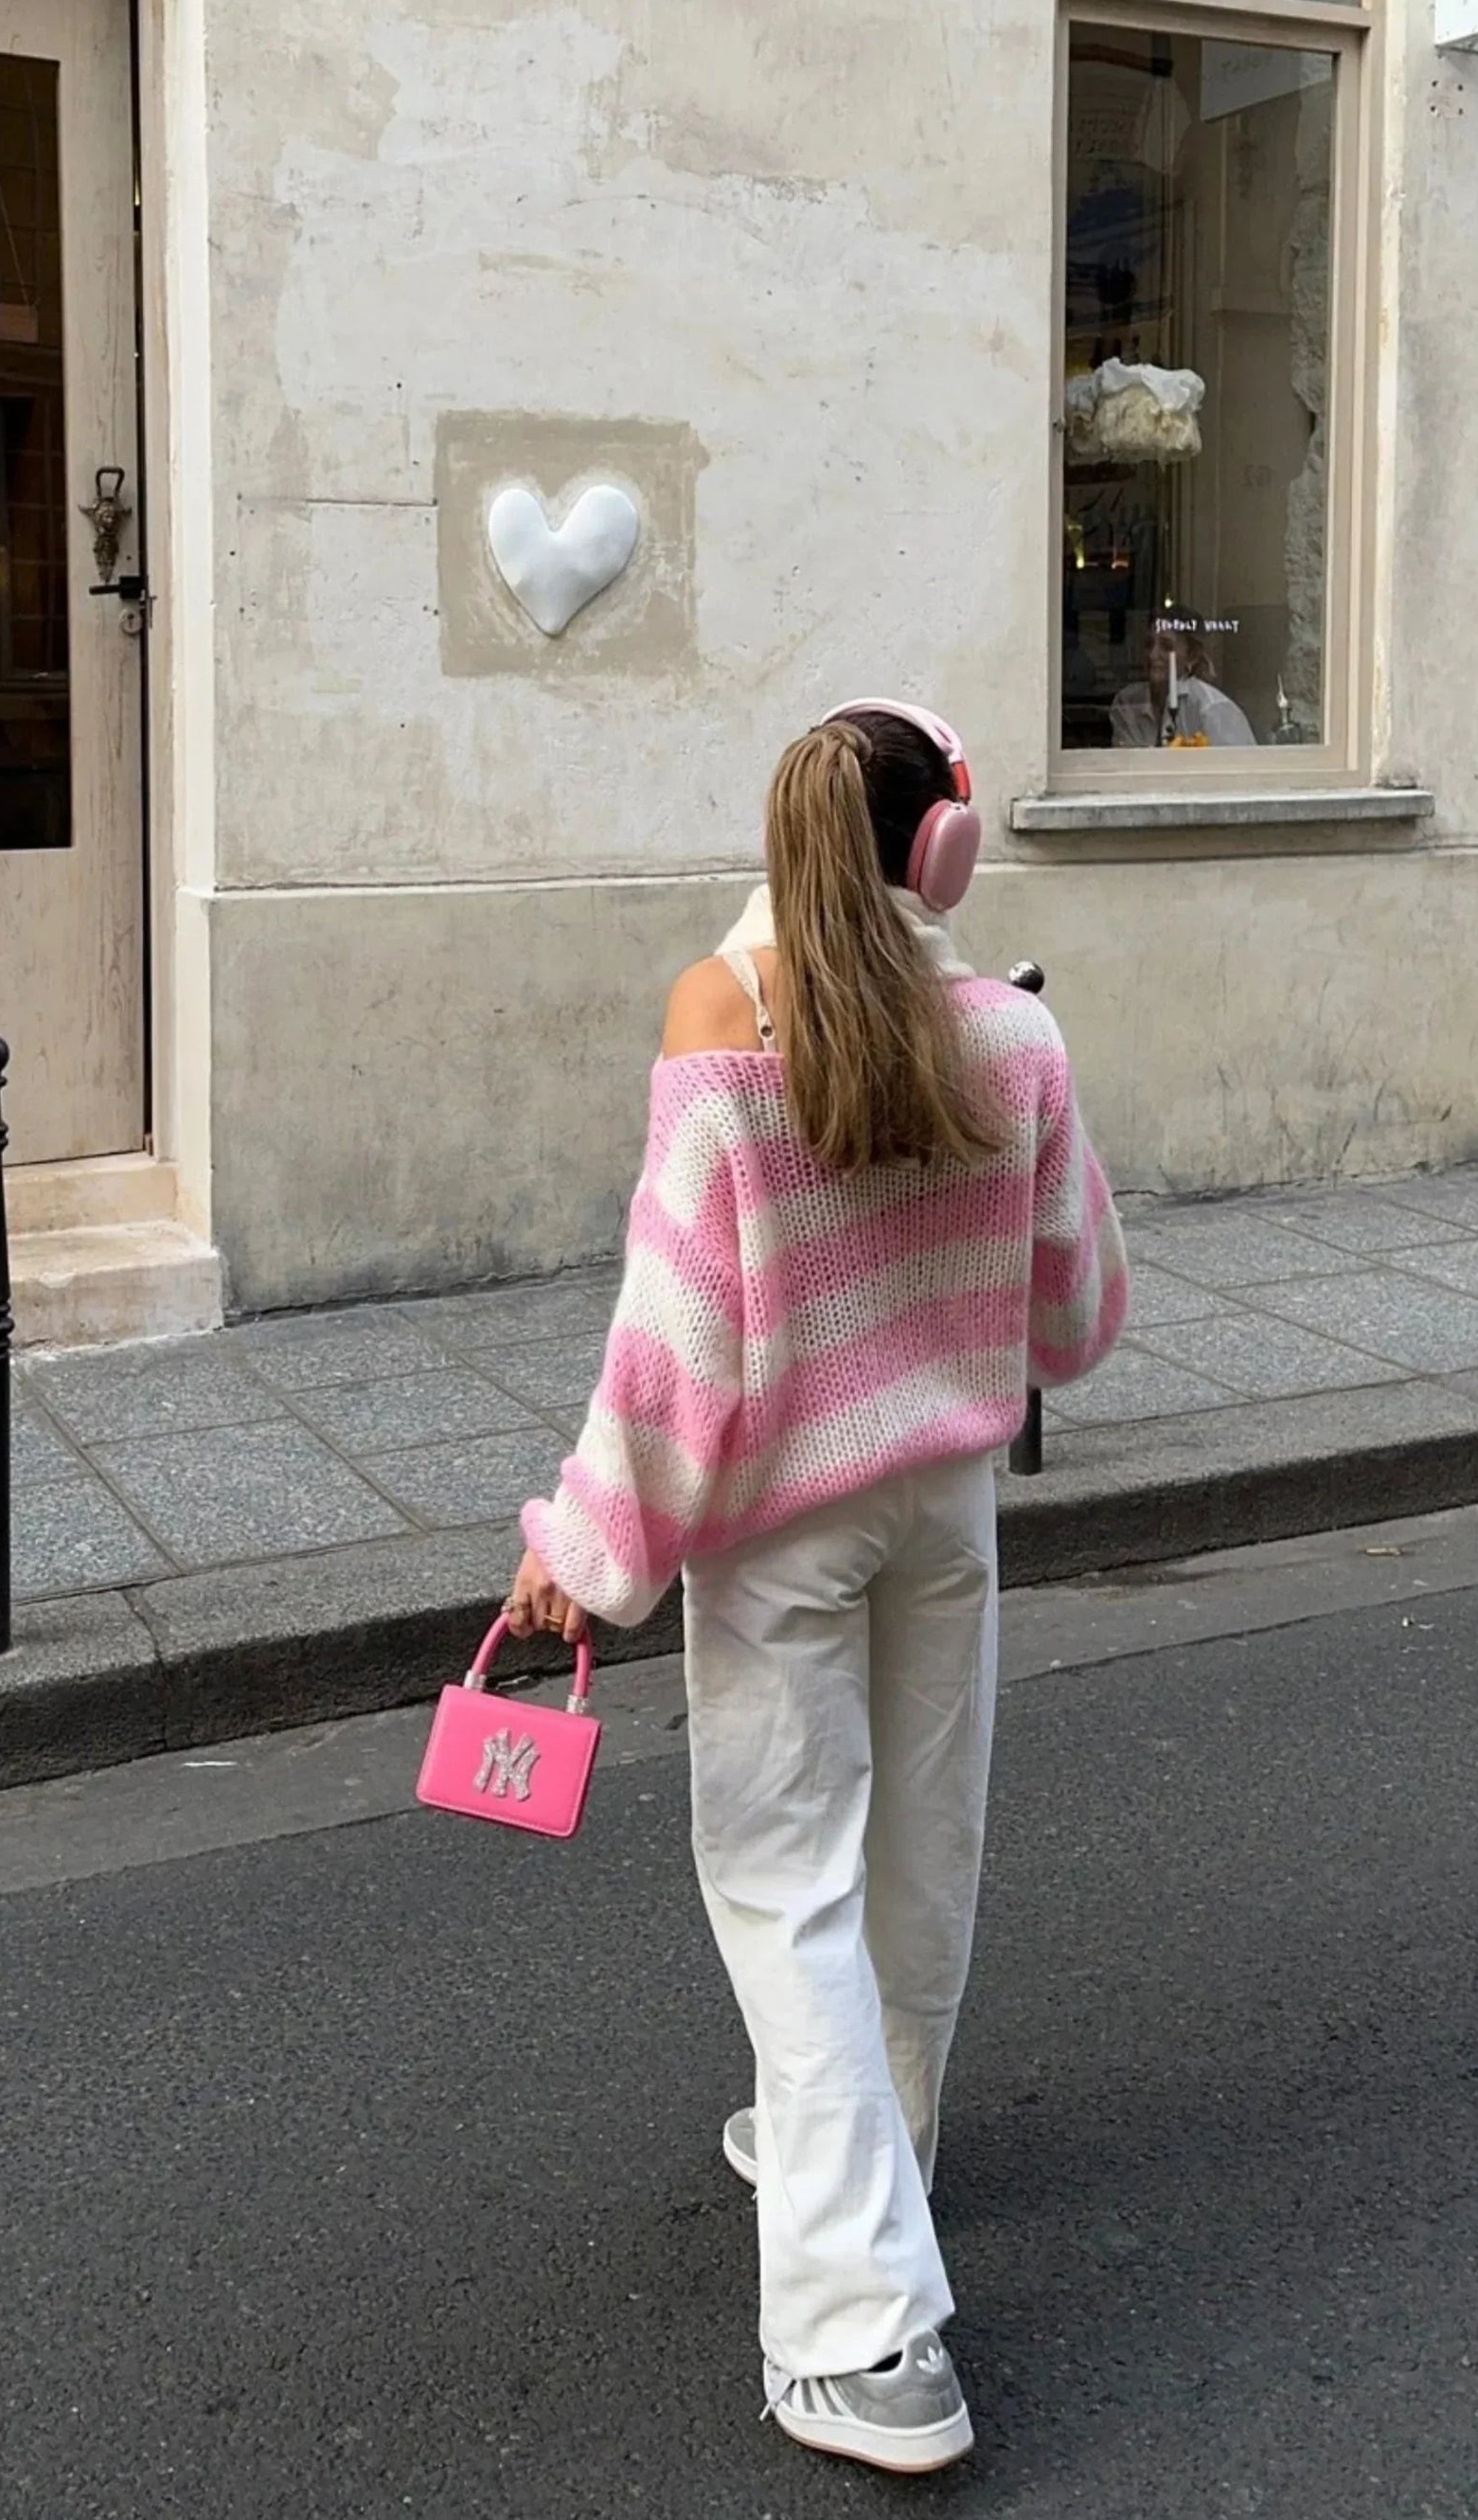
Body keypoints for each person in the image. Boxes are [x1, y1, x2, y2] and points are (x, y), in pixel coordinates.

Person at [507, 700, 1128, 2475]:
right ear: (943, 848)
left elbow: (674, 1349)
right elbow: (1078, 1319)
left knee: (788, 1884)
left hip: (782, 1523)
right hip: (946, 1503)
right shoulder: (1013, 1033)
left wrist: (581, 1549)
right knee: (923, 1855)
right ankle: (872, 2153)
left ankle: (865, 2335)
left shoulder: (726, 1017)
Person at [1109, 604, 1255, 748]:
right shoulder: (1128, 701)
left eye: (1166, 647)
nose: (1153, 655)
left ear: (1192, 656)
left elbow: (1238, 762)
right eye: (1149, 644)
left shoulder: (1213, 709)